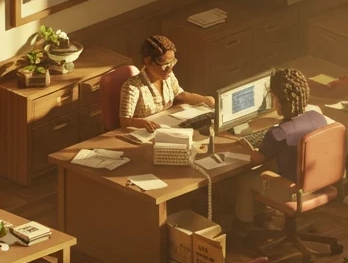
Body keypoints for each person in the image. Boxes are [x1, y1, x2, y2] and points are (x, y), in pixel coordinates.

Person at [233, 68, 328, 226]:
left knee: (246, 179)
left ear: (277, 100)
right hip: (317, 184)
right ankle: (264, 217)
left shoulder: (279, 133)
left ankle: (244, 228)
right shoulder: (318, 118)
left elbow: (256, 160)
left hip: (293, 191)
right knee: (271, 165)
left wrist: (247, 147)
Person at [117, 35, 215, 131]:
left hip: (168, 125)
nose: (169, 69)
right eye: (164, 65)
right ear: (148, 61)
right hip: (145, 132)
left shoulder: (168, 76)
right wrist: (142, 123)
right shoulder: (132, 86)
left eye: (171, 63)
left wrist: (205, 100)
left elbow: (180, 95)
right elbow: (125, 121)